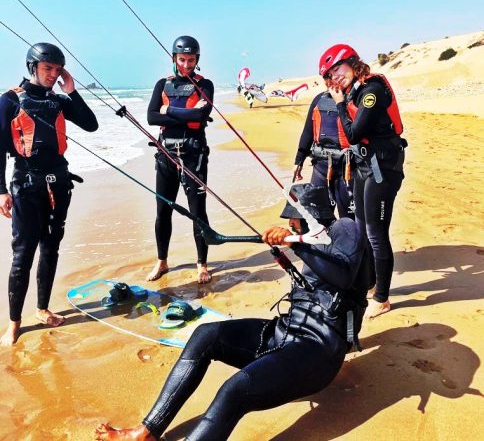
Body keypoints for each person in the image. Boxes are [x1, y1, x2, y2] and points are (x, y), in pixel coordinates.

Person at [95, 183, 370, 441]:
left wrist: (295, 243)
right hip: (284, 333)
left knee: (235, 389)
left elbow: (343, 276)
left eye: (294, 222)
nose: (289, 227)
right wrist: (295, 242)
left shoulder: (344, 230)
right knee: (207, 335)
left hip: (318, 352)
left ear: (310, 218)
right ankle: (146, 431)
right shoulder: (312, 242)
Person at [0, 42, 98, 346]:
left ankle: (42, 309)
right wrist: (1, 191)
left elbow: (91, 125)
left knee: (51, 247)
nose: (53, 75)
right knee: (23, 254)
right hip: (27, 186)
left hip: (59, 183)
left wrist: (71, 90)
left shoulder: (58, 100)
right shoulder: (9, 101)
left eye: (57, 70)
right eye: (47, 69)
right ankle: (14, 323)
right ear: (33, 67)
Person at [319, 44, 407, 318]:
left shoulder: (372, 91)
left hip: (383, 168)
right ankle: (370, 283)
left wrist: (341, 104)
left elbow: (354, 133)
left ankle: (382, 297)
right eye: (330, 74)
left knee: (376, 234)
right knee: (360, 228)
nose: (336, 77)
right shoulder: (353, 92)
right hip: (363, 165)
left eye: (338, 69)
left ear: (352, 63)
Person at [146, 36, 214, 284]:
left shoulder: (204, 85)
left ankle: (202, 264)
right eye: (182, 59)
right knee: (163, 211)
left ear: (197, 60)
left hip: (194, 154)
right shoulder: (162, 85)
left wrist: (170, 112)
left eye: (191, 60)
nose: (186, 64)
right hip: (166, 155)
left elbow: (201, 114)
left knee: (198, 212)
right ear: (174, 59)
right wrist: (185, 117)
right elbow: (152, 118)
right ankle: (162, 261)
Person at [293, 54, 356, 220]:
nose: (332, 78)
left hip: (348, 169)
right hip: (321, 167)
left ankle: (356, 246)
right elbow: (308, 131)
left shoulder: (356, 99)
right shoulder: (319, 100)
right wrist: (299, 160)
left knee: (348, 220)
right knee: (317, 218)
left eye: (334, 73)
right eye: (328, 75)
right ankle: (325, 245)